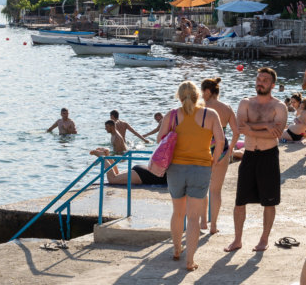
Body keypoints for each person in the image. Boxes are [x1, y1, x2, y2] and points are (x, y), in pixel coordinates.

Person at [156, 81, 224, 271]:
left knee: (178, 212)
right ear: (198, 96)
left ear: (179, 96)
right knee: (194, 217)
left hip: (176, 168)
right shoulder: (210, 115)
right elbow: (220, 140)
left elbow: (160, 139)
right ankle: (190, 261)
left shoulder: (171, 116)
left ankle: (177, 249)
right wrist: (215, 160)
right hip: (201, 168)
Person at [225, 67, 288, 253]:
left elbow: (276, 134)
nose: (260, 82)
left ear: (273, 85)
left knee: (269, 201)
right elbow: (240, 127)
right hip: (249, 155)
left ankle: (264, 239)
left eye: (265, 80)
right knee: (239, 201)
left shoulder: (279, 106)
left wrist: (252, 129)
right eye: (259, 79)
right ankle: (237, 239)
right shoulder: (246, 103)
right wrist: (266, 126)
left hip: (269, 156)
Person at [200, 77, 240, 235]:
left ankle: (203, 222)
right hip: (222, 149)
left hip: (202, 148)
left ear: (208, 92)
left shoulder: (201, 107)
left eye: (202, 92)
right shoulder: (227, 107)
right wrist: (230, 149)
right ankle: (214, 226)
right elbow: (237, 132)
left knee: (202, 188)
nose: (201, 95)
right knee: (216, 190)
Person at [102, 120, 168, 186]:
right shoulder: (174, 175)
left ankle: (105, 156)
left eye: (107, 127)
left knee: (115, 176)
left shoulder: (116, 137)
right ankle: (104, 157)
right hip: (144, 175)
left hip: (145, 171)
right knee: (113, 179)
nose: (105, 128)